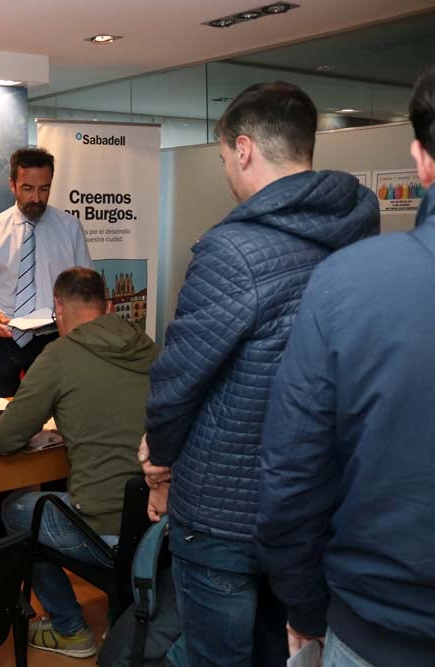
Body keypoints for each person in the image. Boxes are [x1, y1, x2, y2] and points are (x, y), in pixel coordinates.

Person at [139, 81, 380, 667]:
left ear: (244, 148)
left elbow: (178, 380)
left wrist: (158, 463)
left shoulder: (233, 250)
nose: (225, 171)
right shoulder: (358, 236)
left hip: (225, 508)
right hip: (314, 503)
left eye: (222, 157)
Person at [254, 66, 435, 667]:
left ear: (420, 159)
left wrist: (304, 609)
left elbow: (294, 474)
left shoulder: (350, 284)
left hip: (379, 631)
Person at [0, 267, 157, 659]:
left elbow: (5, 439)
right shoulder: (148, 346)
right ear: (107, 304)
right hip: (159, 521)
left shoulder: (59, 355)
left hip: (102, 528)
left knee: (15, 509)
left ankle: (70, 629)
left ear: (59, 308)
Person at [0, 147, 91, 397]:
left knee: (52, 412)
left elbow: (84, 286)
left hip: (52, 339)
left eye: (44, 189)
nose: (36, 198)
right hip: (3, 337)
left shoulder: (70, 228)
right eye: (28, 188)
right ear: (12, 185)